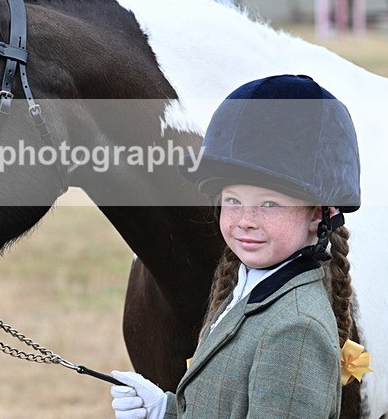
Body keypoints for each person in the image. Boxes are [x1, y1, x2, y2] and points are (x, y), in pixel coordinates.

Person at [110, 74, 371, 418]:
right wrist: (165, 410)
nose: (246, 219)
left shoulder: (296, 330)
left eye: (269, 204)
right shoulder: (246, 290)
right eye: (233, 200)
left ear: (319, 214)